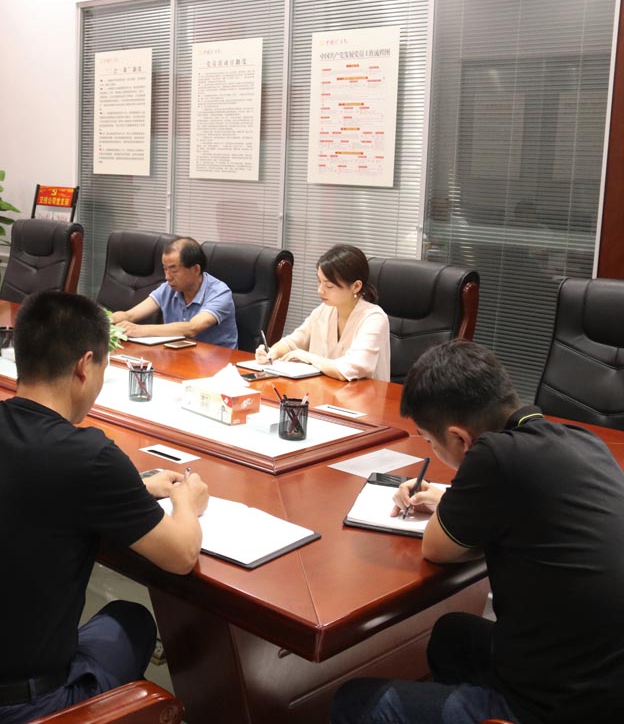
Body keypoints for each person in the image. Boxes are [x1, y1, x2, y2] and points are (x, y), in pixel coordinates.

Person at [0, 291, 209, 724]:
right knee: (132, 620)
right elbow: (182, 554)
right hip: (23, 708)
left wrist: (136, 486)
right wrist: (185, 500)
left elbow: (45, 484)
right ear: (85, 365)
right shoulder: (90, 455)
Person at [331, 340, 624, 724]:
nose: (432, 450)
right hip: (603, 683)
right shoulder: (581, 440)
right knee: (451, 636)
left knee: (355, 703)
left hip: (557, 706)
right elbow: (531, 515)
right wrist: (450, 498)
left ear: (460, 439)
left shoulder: (492, 456)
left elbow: (437, 547)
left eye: (430, 441)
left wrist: (455, 500)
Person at [255, 243, 389, 381]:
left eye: (329, 286)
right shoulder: (325, 310)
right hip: (327, 390)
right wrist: (272, 352)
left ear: (356, 286)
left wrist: (308, 357)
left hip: (364, 393)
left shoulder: (374, 318)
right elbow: (292, 342)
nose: (320, 290)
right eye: (319, 282)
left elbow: (351, 368)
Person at [109, 236, 238, 347]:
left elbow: (192, 328)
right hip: (179, 356)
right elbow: (130, 316)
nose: (167, 277)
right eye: (165, 269)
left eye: (174, 270)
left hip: (218, 362)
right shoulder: (168, 288)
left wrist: (140, 330)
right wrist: (105, 321)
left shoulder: (220, 293)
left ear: (195, 269)